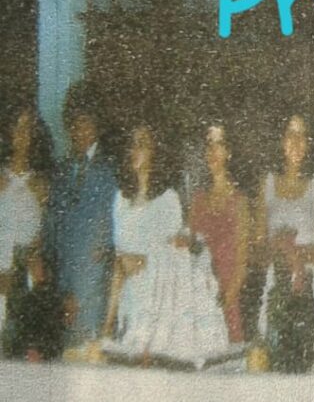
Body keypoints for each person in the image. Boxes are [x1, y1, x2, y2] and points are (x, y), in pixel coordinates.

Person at [104, 126, 230, 367]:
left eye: (143, 144)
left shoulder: (167, 200)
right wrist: (107, 325)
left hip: (157, 309)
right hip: (129, 301)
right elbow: (118, 263)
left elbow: (177, 259)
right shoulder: (120, 200)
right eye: (132, 144)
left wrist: (144, 260)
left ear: (155, 152)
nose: (135, 150)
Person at [253, 115, 314, 372]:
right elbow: (256, 251)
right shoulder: (267, 184)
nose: (296, 141)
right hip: (275, 287)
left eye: (302, 135)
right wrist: (278, 249)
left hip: (309, 288)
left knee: (308, 369)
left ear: (309, 142)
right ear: (281, 140)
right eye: (291, 134)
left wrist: (299, 254)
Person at [46, 97, 118, 353]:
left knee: (90, 354)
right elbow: (54, 231)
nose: (79, 130)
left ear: (97, 127)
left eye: (85, 122)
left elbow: (108, 239)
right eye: (74, 124)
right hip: (64, 282)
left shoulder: (109, 171)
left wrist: (82, 291)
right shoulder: (62, 171)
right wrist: (62, 286)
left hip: (93, 285)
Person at [188, 125, 250, 343]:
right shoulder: (197, 200)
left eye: (219, 145)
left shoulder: (239, 202)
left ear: (229, 152)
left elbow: (242, 267)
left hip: (226, 299)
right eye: (209, 146)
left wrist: (222, 303)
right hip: (198, 299)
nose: (212, 151)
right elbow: (190, 254)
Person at [0, 108, 53, 357]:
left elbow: (42, 235)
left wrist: (32, 263)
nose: (23, 135)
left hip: (25, 278)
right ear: (9, 133)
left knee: (19, 350)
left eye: (28, 129)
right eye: (18, 128)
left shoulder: (40, 184)